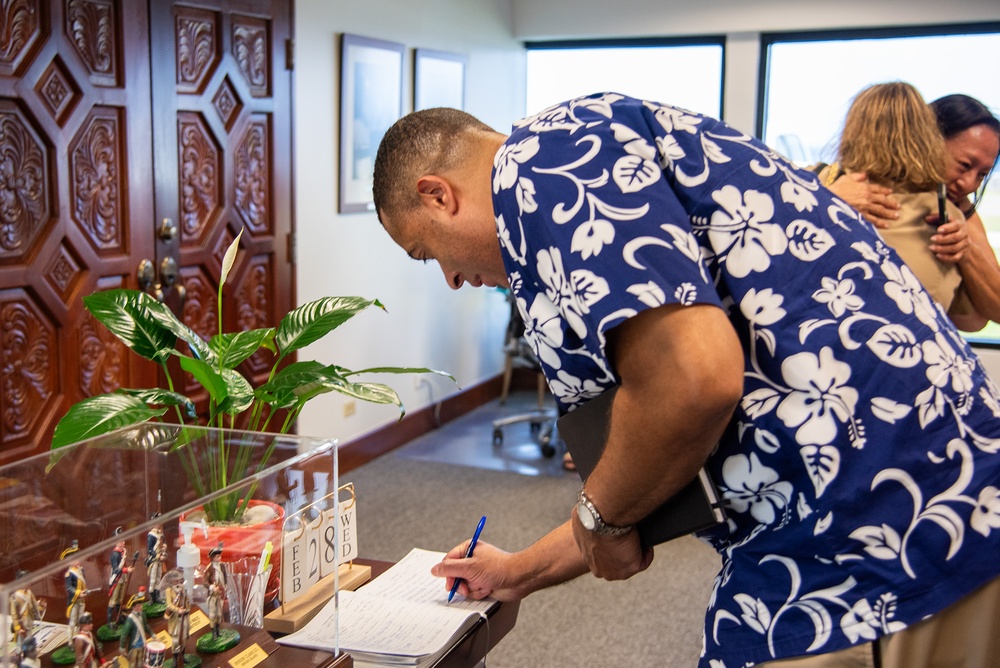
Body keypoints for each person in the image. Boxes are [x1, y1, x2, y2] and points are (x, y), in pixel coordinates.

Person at [372, 93, 1000, 667]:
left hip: (883, 523)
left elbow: (692, 382)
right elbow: (654, 450)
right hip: (919, 498)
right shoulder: (588, 149)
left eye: (426, 254)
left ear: (438, 195)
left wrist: (602, 521)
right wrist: (519, 572)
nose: (450, 279)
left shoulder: (541, 161)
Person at [828, 92, 1000, 330]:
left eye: (982, 174)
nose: (969, 184)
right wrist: (829, 197)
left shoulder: (957, 211)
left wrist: (966, 249)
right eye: (964, 165)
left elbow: (980, 316)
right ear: (928, 141)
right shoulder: (833, 182)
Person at [119, 588, 152, 668]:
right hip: (134, 646)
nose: (141, 607)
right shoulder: (130, 619)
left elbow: (146, 626)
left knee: (140, 662)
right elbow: (124, 634)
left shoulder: (143, 615)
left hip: (142, 644)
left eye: (141, 605)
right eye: (138, 605)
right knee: (133, 663)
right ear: (134, 607)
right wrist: (122, 647)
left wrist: (153, 635)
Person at [204, 544, 228, 640]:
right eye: (217, 556)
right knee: (212, 614)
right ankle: (214, 633)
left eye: (219, 556)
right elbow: (205, 581)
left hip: (220, 593)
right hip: (213, 594)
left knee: (219, 614)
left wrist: (225, 586)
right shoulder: (209, 568)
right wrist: (211, 587)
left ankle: (218, 631)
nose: (219, 558)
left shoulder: (222, 566)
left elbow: (225, 577)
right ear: (213, 557)